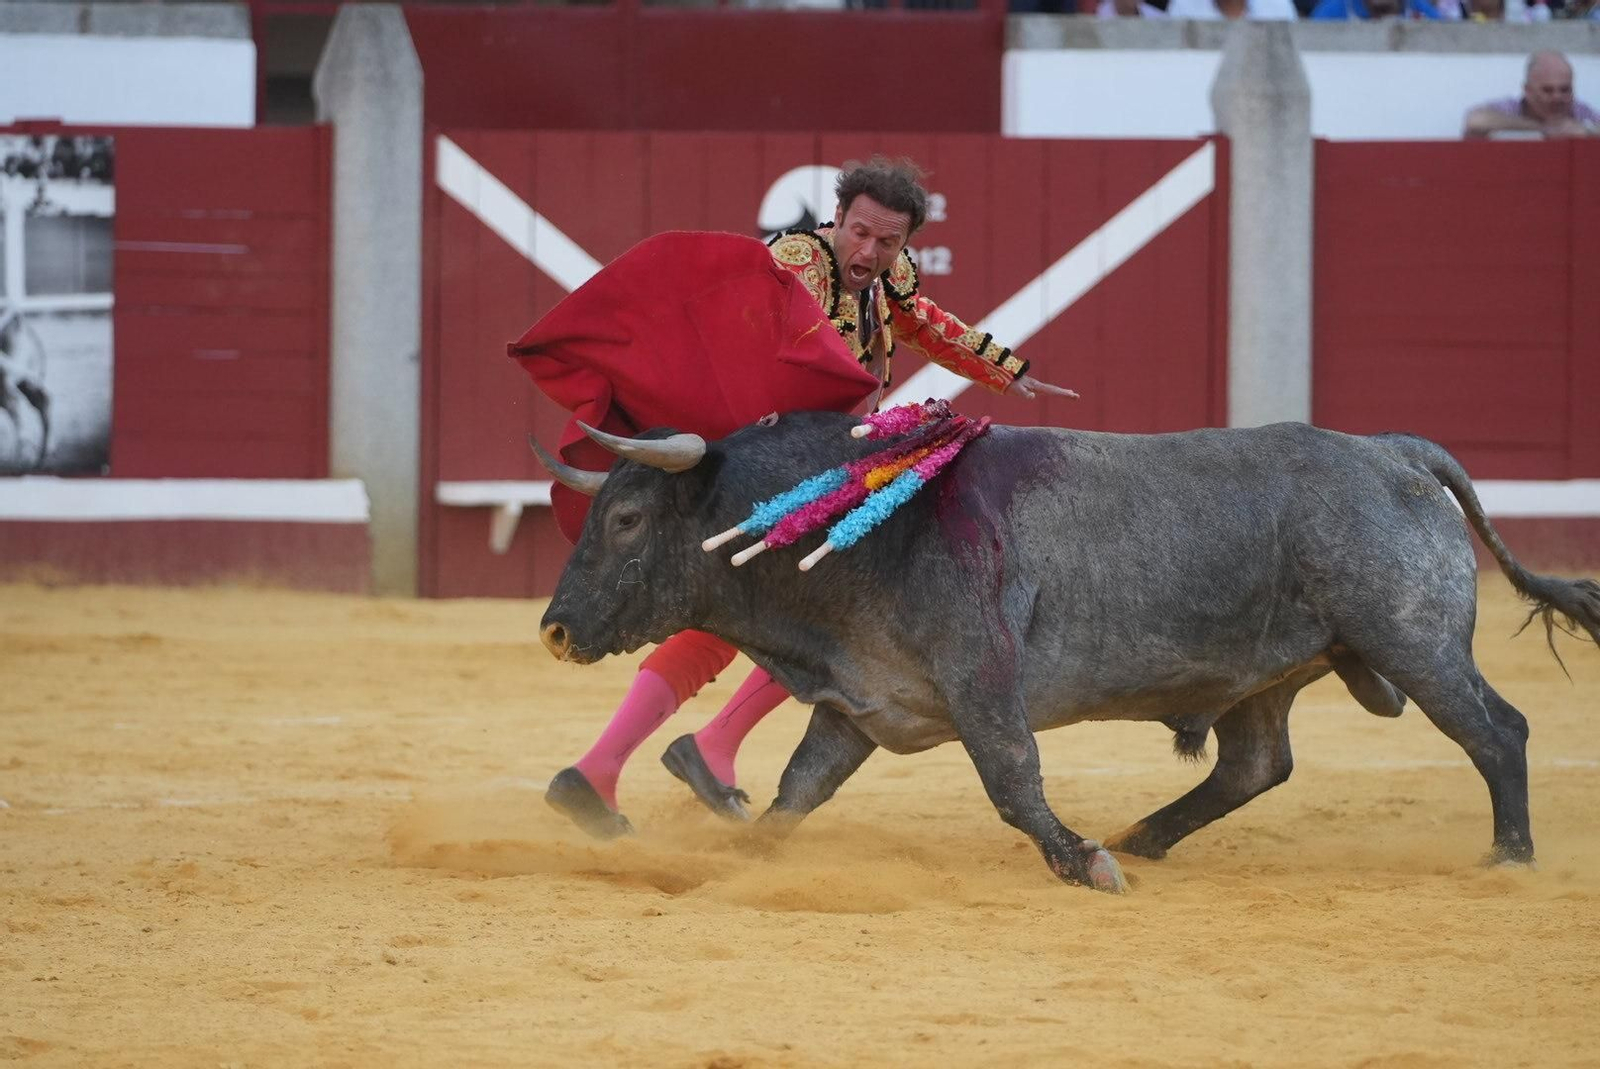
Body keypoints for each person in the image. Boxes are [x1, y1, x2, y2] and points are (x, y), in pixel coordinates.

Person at [510, 157, 1075, 839]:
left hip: (801, 474)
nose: (870, 250)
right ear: (837, 219)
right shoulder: (797, 264)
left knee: (737, 629)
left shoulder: (890, 278)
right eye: (860, 232)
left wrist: (1006, 371)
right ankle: (691, 748)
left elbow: (926, 324)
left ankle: (612, 767)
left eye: (887, 241)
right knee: (826, 618)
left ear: (904, 243)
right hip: (755, 473)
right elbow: (747, 357)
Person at [1463, 51, 1600, 139]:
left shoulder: (1579, 112)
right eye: (1547, 90)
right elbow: (1475, 121)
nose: (1557, 97)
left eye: (1564, 90)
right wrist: (1542, 129)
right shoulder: (1510, 109)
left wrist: (1587, 131)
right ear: (1527, 91)